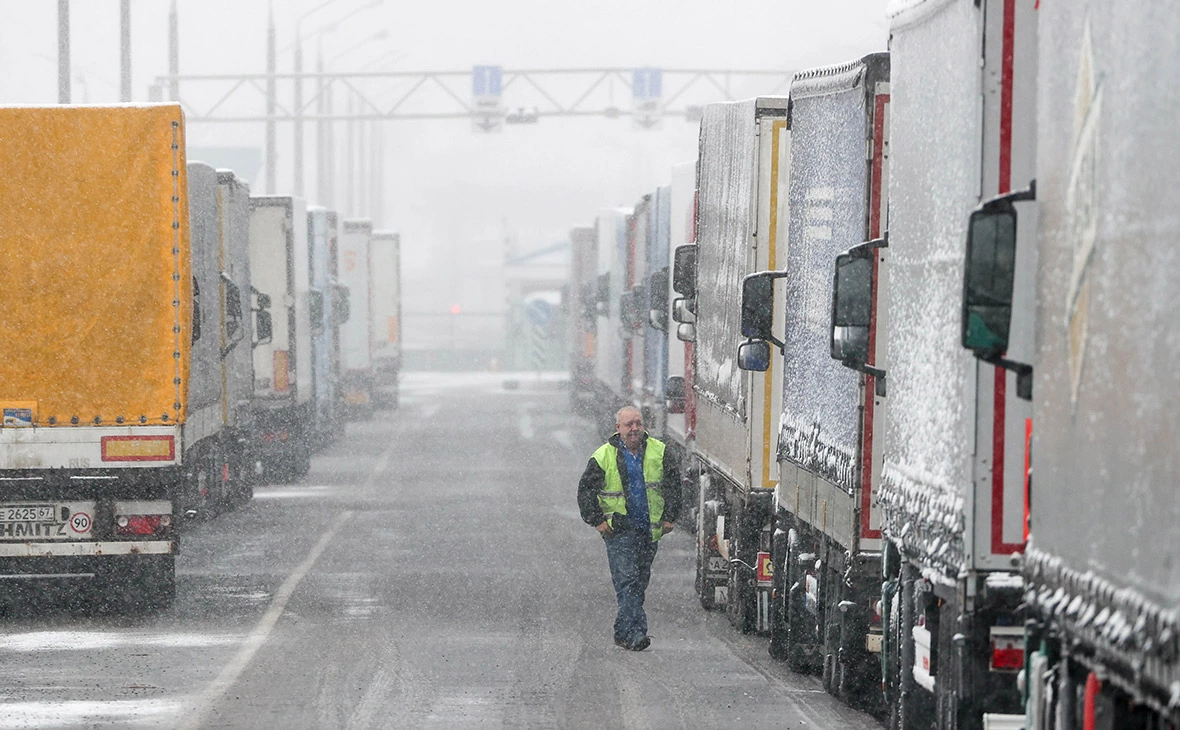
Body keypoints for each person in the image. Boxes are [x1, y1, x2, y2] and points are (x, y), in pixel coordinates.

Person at [577, 406, 681, 651]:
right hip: (619, 531)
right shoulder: (603, 456)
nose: (634, 429)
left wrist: (670, 517)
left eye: (638, 423)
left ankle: (622, 631)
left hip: (649, 530)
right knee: (628, 581)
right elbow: (585, 492)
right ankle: (635, 633)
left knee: (639, 582)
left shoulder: (660, 451)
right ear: (618, 428)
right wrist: (598, 521)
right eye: (628, 425)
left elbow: (673, 486)